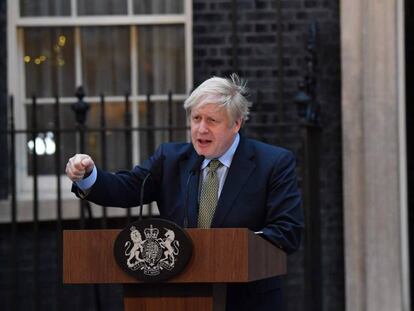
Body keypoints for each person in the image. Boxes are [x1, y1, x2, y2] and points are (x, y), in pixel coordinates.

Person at [66, 74, 304, 311]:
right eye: (196, 118)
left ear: (236, 123)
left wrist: (235, 246)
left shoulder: (273, 163)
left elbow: (287, 230)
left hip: (249, 301)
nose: (201, 129)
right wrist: (88, 176)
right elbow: (127, 188)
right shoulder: (170, 159)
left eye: (212, 120)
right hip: (178, 297)